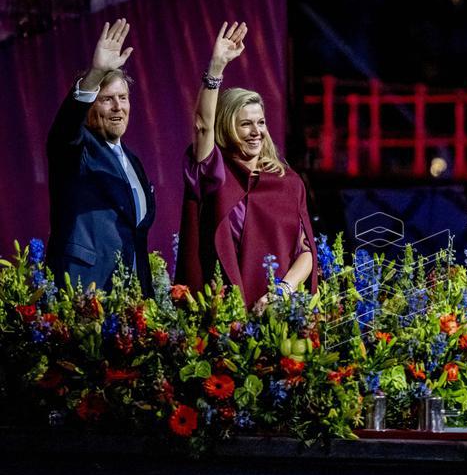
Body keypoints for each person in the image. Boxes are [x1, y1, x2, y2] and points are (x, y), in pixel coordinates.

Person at [176, 22, 316, 309]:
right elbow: (203, 126)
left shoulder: (287, 182)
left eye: (261, 122)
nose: (256, 131)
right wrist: (216, 67)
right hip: (220, 316)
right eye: (245, 124)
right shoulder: (214, 172)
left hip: (276, 314)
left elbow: (306, 252)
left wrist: (283, 290)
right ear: (227, 127)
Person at [46, 18, 156, 295]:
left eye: (124, 97)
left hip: (131, 301)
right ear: (90, 104)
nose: (118, 107)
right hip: (84, 290)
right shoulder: (76, 148)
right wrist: (95, 75)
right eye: (107, 99)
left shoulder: (133, 161)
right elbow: (65, 129)